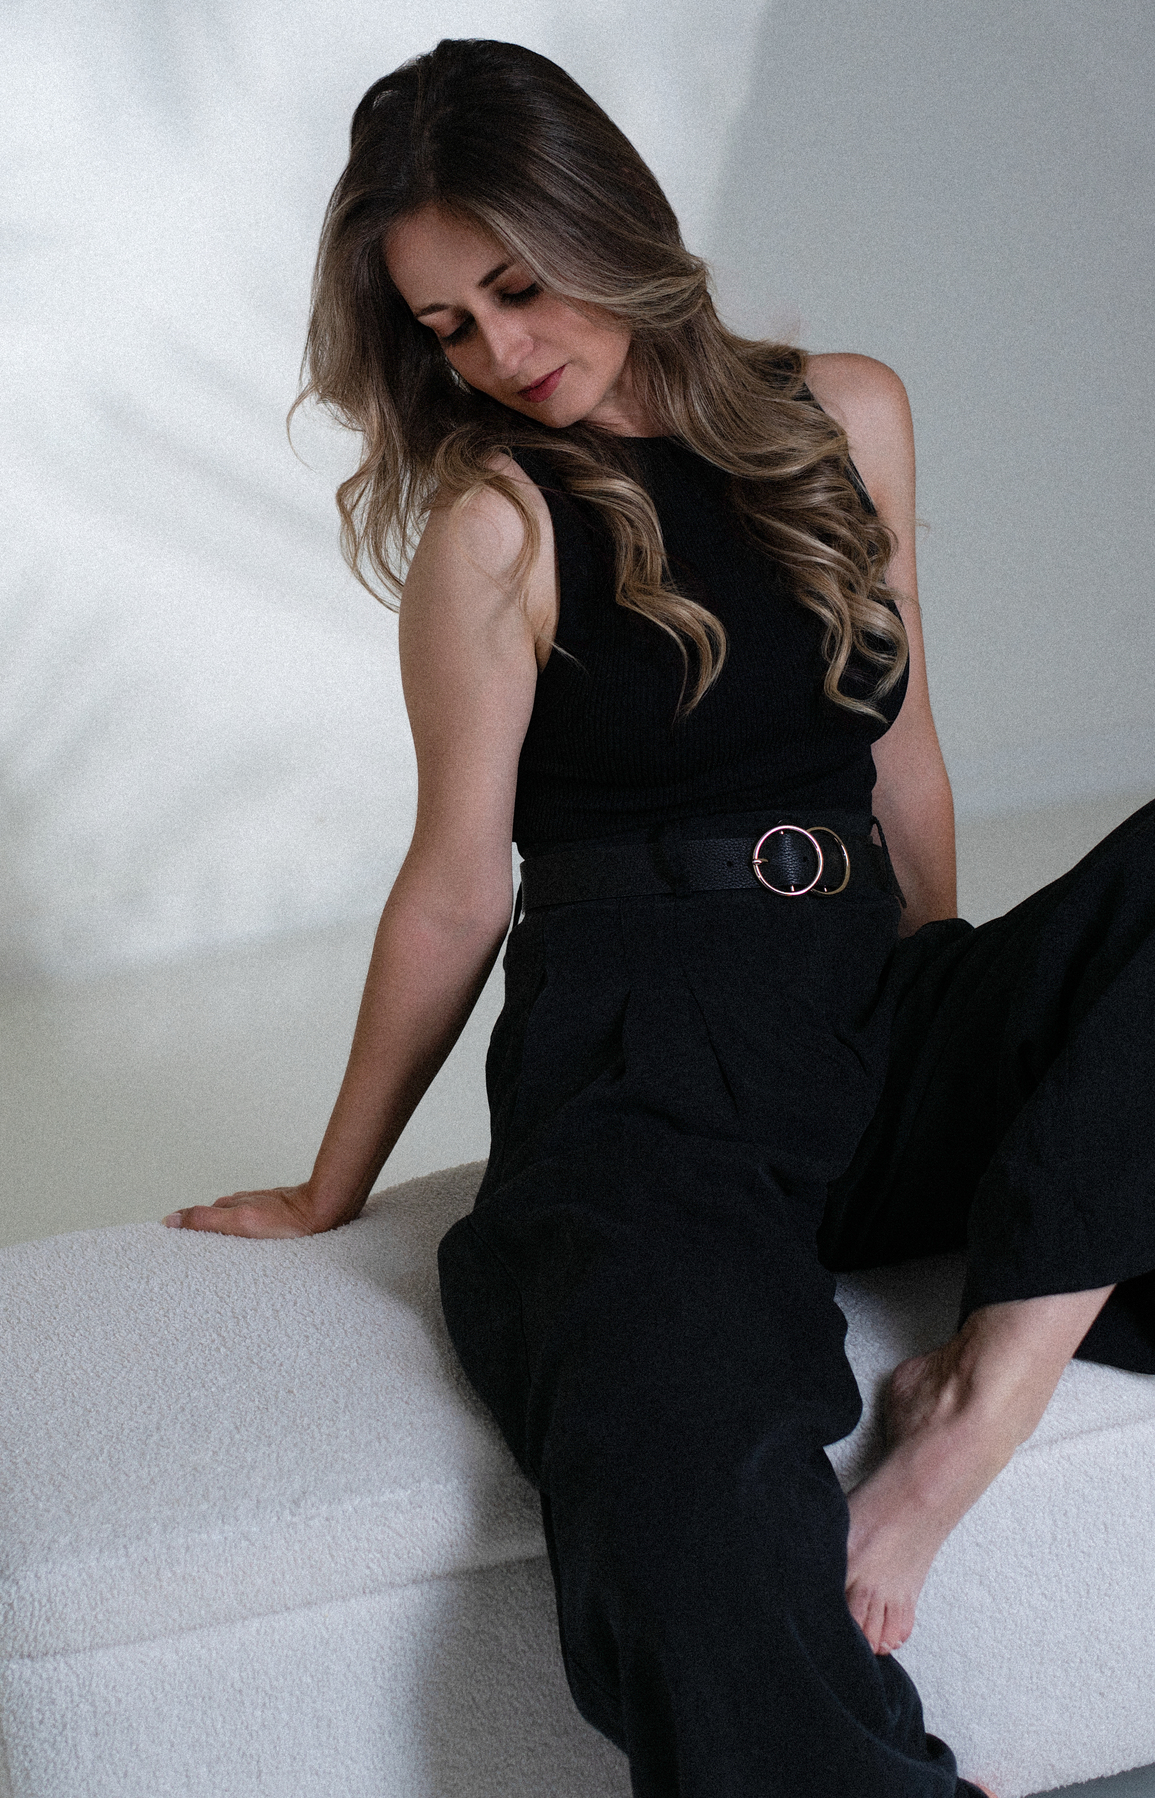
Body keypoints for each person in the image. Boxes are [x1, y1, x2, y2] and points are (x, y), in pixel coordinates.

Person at [161, 37, 1155, 1798]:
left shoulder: (846, 412)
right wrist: (329, 1186)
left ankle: (982, 1399)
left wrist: (984, 1036)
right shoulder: (497, 525)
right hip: (644, 1071)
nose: (498, 351)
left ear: (602, 217)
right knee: (672, 1470)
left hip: (866, 1009)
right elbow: (455, 886)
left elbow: (906, 762)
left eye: (515, 287)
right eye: (448, 326)